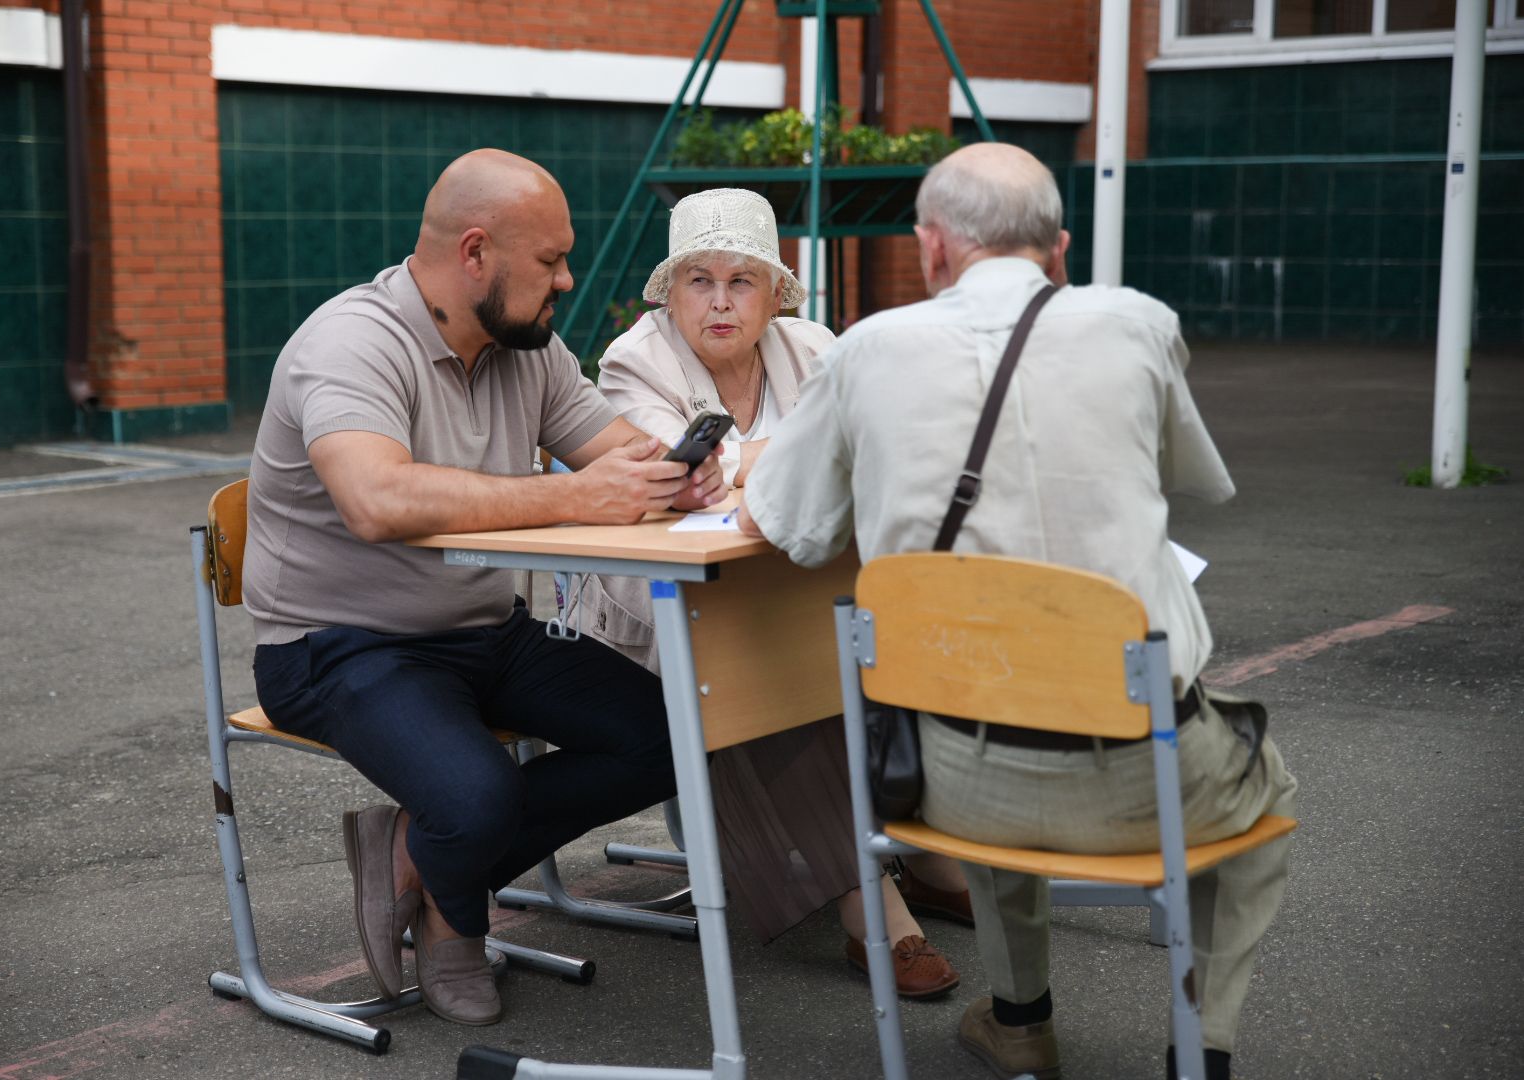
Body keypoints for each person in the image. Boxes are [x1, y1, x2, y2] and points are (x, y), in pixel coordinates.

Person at [737, 143, 1298, 1080]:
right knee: (1270, 791)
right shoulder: (1139, 325)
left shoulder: (866, 350)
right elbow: (1192, 481)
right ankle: (1205, 1050)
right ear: (1061, 250)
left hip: (959, 789)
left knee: (985, 703)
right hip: (1149, 783)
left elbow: (790, 525)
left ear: (930, 247)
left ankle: (1021, 1019)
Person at [243, 149, 727, 1027]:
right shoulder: (350, 343)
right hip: (336, 644)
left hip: (482, 630)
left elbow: (616, 451)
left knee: (669, 737)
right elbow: (376, 498)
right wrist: (577, 496)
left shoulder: (526, 347)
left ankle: (421, 861)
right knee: (477, 796)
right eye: (550, 262)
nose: (568, 280)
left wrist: (674, 478)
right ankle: (453, 916)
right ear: (476, 254)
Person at [581, 187, 969, 999]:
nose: (720, 302)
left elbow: (876, 453)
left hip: (783, 583)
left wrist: (762, 467)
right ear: (671, 291)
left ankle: (915, 845)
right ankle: (874, 900)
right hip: (653, 614)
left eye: (742, 281)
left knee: (896, 627)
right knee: (767, 672)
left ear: (774, 294)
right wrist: (790, 462)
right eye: (699, 280)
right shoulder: (634, 361)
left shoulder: (813, 348)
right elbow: (681, 482)